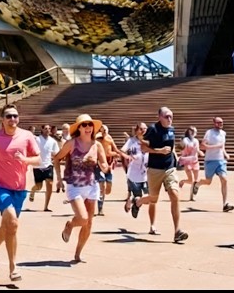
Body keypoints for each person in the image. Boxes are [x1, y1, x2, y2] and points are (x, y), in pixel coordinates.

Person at [0, 105, 41, 284]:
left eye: (15, 116)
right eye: (8, 116)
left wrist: (25, 160)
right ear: (2, 119)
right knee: (12, 222)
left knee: (9, 227)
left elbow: (38, 159)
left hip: (20, 188)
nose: (12, 119)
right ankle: (13, 267)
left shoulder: (27, 136)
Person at [54, 113, 107, 265]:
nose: (88, 127)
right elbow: (57, 158)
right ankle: (70, 225)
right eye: (84, 125)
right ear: (79, 128)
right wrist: (58, 178)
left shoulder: (97, 145)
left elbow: (103, 164)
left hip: (91, 185)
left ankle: (78, 253)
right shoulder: (71, 144)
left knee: (89, 223)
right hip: (74, 186)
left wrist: (105, 167)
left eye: (90, 125)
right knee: (82, 219)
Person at [134, 106, 189, 243]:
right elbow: (143, 147)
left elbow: (171, 146)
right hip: (155, 169)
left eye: (171, 116)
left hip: (169, 168)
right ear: (159, 117)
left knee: (175, 195)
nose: (169, 119)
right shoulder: (153, 129)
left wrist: (176, 158)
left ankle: (177, 231)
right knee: (153, 199)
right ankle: (138, 202)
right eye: (166, 116)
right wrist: (159, 151)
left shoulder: (172, 129)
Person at [120, 121, 157, 231]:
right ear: (136, 130)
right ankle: (135, 201)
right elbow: (121, 151)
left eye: (145, 129)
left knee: (151, 199)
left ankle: (134, 202)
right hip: (133, 175)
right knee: (139, 197)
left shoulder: (149, 142)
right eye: (141, 129)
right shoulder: (131, 141)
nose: (144, 130)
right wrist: (128, 157)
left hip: (147, 175)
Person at [199, 116, 234, 212]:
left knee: (224, 179)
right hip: (210, 160)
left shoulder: (223, 133)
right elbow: (202, 146)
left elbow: (222, 146)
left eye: (222, 122)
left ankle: (225, 204)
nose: (221, 124)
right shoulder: (209, 133)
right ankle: (197, 184)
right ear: (214, 123)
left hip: (220, 160)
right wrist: (215, 147)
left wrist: (225, 153)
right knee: (208, 181)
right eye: (219, 122)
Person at [30, 123, 60, 212]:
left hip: (48, 165)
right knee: (39, 186)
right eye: (46, 128)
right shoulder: (37, 139)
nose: (48, 130)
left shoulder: (53, 141)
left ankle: (46, 206)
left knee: (50, 185)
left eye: (49, 129)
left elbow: (56, 153)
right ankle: (32, 191)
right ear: (42, 129)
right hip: (38, 165)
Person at [177, 125, 202, 201]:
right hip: (187, 161)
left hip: (195, 161)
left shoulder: (196, 140)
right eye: (194, 131)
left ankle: (192, 196)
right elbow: (182, 150)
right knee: (191, 180)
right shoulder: (185, 140)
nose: (196, 133)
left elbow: (196, 150)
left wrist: (199, 152)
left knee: (196, 181)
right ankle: (183, 181)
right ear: (190, 132)